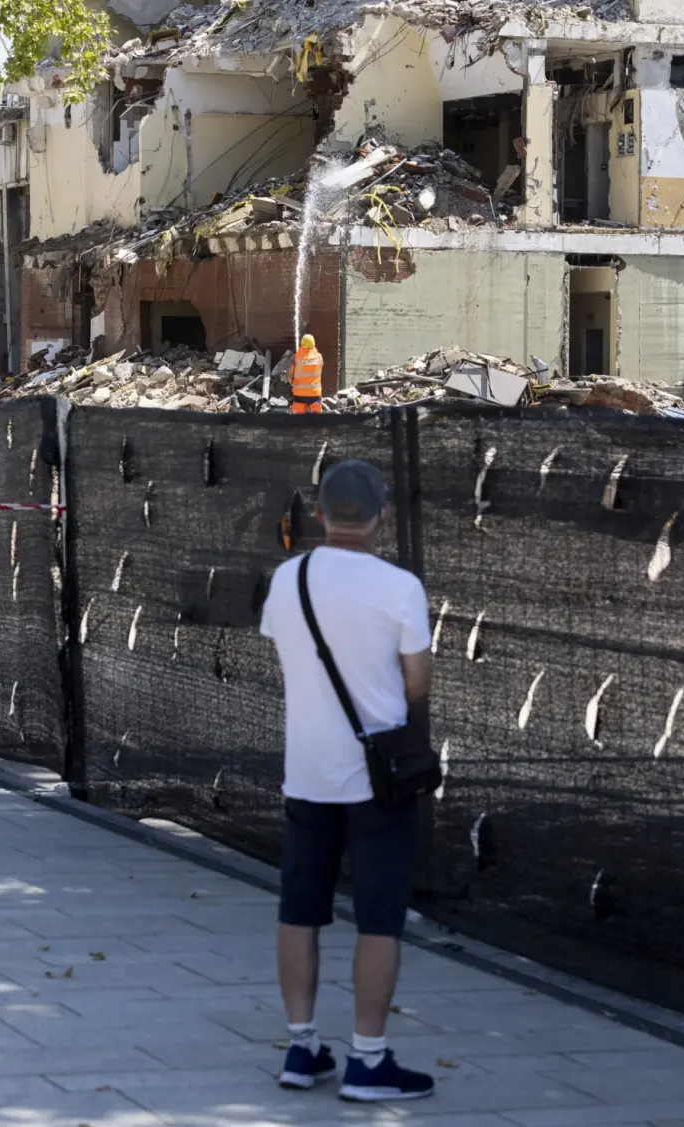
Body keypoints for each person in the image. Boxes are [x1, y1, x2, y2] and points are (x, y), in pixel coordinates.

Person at [260, 458, 435, 1102]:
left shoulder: (288, 580)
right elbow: (417, 684)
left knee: (298, 912)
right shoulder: (400, 588)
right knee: (379, 919)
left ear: (321, 514)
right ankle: (368, 1059)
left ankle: (301, 1049)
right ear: (381, 517)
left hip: (306, 771)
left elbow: (288, 663)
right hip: (378, 782)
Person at [288, 333, 323, 414]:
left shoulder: (295, 357)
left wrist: (294, 385)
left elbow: (289, 376)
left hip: (299, 394)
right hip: (315, 393)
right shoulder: (319, 357)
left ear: (302, 343)